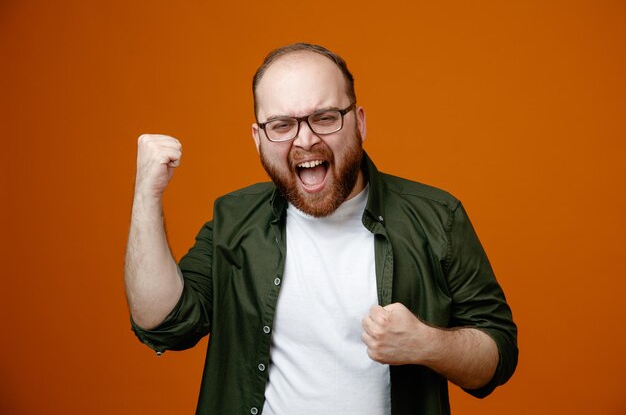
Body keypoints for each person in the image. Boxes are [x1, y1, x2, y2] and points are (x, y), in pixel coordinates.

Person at [125, 43, 518, 415]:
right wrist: (146, 193)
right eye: (281, 125)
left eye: (325, 117)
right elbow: (164, 325)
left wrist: (427, 344)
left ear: (359, 122)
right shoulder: (233, 219)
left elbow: (496, 357)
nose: (306, 139)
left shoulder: (437, 217)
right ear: (257, 138)